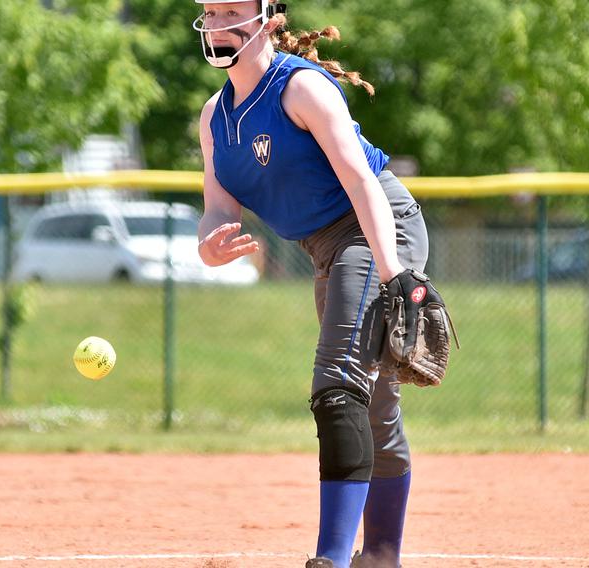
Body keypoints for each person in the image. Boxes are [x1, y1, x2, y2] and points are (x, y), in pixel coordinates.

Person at [193, 2, 429, 567]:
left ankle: (332, 560)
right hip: (325, 249)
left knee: (339, 382)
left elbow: (360, 179)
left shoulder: (300, 88)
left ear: (269, 20)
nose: (220, 21)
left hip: (376, 225)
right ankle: (381, 557)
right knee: (374, 403)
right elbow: (217, 207)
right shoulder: (214, 117)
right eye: (211, 10)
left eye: (234, 10)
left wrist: (392, 270)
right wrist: (208, 243)